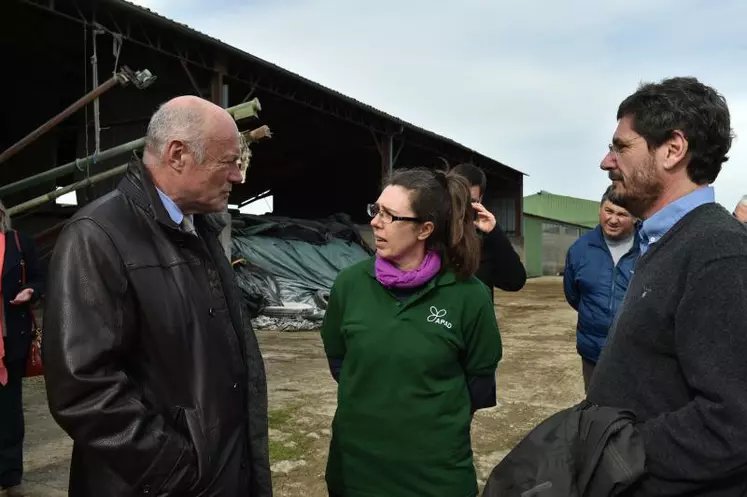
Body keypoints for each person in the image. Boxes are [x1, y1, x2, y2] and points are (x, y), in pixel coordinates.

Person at [42, 96, 271, 497]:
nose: (238, 176)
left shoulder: (200, 230)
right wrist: (175, 469)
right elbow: (83, 389)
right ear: (178, 155)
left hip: (220, 473)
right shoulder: (98, 236)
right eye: (229, 162)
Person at [591, 76, 747, 495]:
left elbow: (733, 421)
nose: (607, 161)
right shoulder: (663, 241)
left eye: (621, 147)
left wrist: (610, 449)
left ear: (673, 149)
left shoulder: (719, 252)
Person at [321, 167, 503, 497]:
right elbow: (340, 362)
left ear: (425, 229)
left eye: (390, 215)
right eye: (375, 210)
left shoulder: (469, 295)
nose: (375, 221)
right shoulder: (349, 284)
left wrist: (427, 421)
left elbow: (478, 383)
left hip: (434, 472)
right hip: (356, 466)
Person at [563, 185, 638, 392]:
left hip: (637, 354)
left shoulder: (649, 248)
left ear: (635, 217)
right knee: (596, 412)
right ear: (600, 209)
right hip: (593, 352)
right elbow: (573, 295)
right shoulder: (580, 250)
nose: (613, 219)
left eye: (622, 214)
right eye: (609, 211)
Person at [0, 202, 44, 497]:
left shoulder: (19, 242)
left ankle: (10, 476)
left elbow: (41, 278)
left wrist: (31, 291)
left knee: (10, 410)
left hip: (11, 339)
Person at [452, 163, 527, 295]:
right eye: (459, 199)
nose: (463, 207)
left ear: (480, 199)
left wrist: (495, 232)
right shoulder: (431, 233)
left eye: (471, 200)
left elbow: (515, 281)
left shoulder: (485, 239)